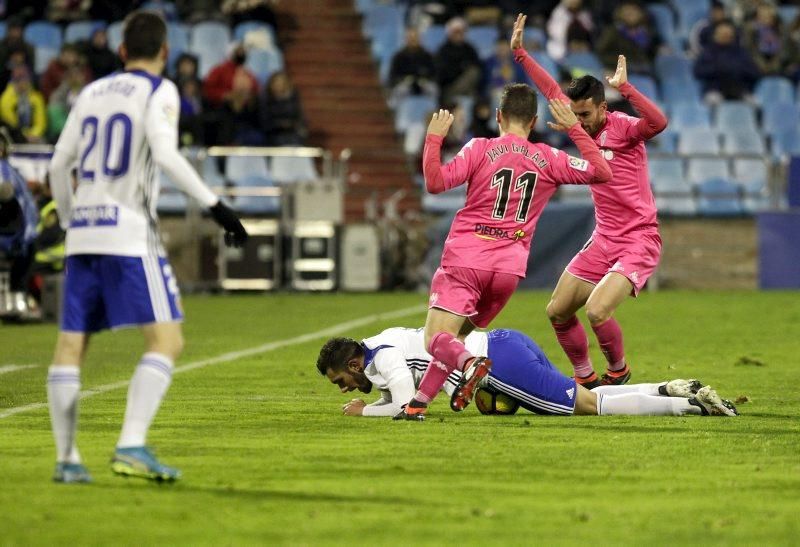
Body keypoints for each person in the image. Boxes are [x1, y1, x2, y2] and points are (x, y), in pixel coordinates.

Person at [46, 10, 249, 484]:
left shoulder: (92, 91)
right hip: (130, 234)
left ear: (121, 51)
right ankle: (132, 444)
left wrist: (71, 220)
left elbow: (59, 165)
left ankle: (68, 459)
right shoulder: (160, 90)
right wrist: (216, 205)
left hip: (84, 235)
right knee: (166, 341)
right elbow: (164, 153)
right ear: (164, 51)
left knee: (71, 346)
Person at [395, 82, 612, 421]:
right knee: (454, 338)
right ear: (535, 121)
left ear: (498, 116)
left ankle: (471, 365)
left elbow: (435, 183)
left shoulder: (479, 148)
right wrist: (574, 128)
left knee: (434, 338)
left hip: (467, 260)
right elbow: (602, 171)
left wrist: (433, 138)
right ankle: (419, 404)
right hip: (508, 272)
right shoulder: (549, 158)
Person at [511, 14, 668, 390]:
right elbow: (550, 90)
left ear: (602, 107)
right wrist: (520, 55)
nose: (577, 122)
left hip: (638, 238)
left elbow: (659, 122)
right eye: (574, 114)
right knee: (558, 311)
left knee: (598, 311)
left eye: (584, 114)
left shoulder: (625, 128)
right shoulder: (579, 125)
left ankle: (619, 371)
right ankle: (585, 376)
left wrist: (627, 88)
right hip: (603, 239)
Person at [316, 327, 739, 418]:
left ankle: (691, 408)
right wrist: (372, 401)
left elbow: (407, 406)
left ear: (354, 365)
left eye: (342, 381)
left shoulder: (385, 359)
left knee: (589, 407)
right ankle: (672, 388)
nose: (344, 389)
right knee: (581, 394)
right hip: (503, 343)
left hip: (499, 366)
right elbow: (395, 393)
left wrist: (362, 413)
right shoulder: (382, 345)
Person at [693, 20, 760, 104]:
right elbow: (698, 71)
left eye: (728, 34)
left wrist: (738, 69)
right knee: (713, 101)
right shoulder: (708, 53)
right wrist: (718, 69)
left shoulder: (742, 53)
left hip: (740, 90)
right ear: (715, 35)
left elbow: (755, 73)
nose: (725, 36)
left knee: (755, 103)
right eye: (722, 34)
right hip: (715, 90)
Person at [0, 66, 47, 143]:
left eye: (25, 79)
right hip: (13, 136)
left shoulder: (36, 97)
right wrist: (23, 135)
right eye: (18, 80)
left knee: (42, 141)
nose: (22, 83)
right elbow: (9, 122)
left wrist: (34, 133)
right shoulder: (6, 98)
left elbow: (40, 122)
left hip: (34, 136)